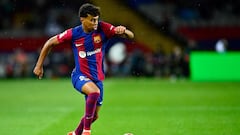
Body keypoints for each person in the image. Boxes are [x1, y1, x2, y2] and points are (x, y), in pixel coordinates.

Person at [33, 3, 134, 135]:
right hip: (79, 76)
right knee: (94, 92)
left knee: (94, 116)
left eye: (97, 19)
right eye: (92, 20)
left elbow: (131, 36)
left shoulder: (104, 28)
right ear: (83, 19)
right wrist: (39, 65)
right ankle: (86, 132)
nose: (95, 23)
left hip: (97, 79)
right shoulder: (74, 33)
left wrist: (124, 31)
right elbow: (50, 42)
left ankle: (75, 133)